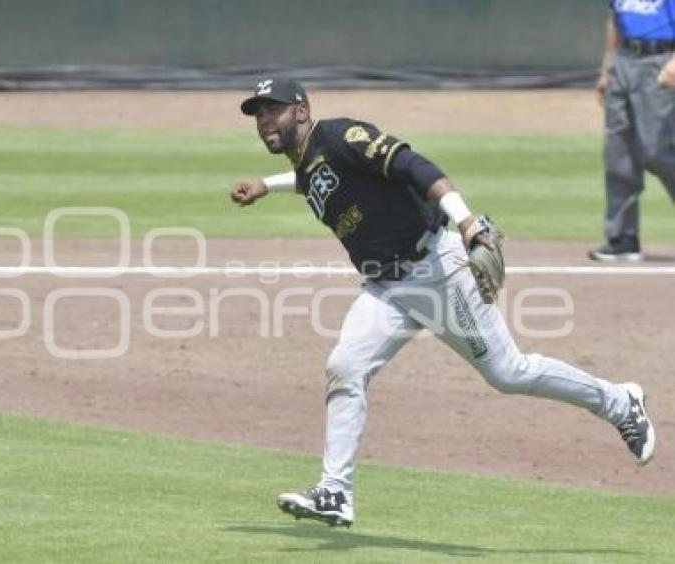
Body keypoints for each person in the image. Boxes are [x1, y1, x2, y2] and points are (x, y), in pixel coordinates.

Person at [230, 78, 656, 528]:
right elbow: (313, 177)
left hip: (436, 267)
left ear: (300, 111)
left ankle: (618, 401)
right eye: (258, 114)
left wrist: (468, 222)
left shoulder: (340, 136)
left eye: (272, 110)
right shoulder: (312, 159)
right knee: (346, 367)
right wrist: (265, 184)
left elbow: (413, 165)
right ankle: (335, 491)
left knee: (508, 372)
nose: (263, 121)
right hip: (386, 287)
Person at [590, 0, 675, 261]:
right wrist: (606, 68)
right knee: (619, 152)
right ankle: (622, 238)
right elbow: (613, 19)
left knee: (657, 149)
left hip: (660, 60)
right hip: (623, 60)